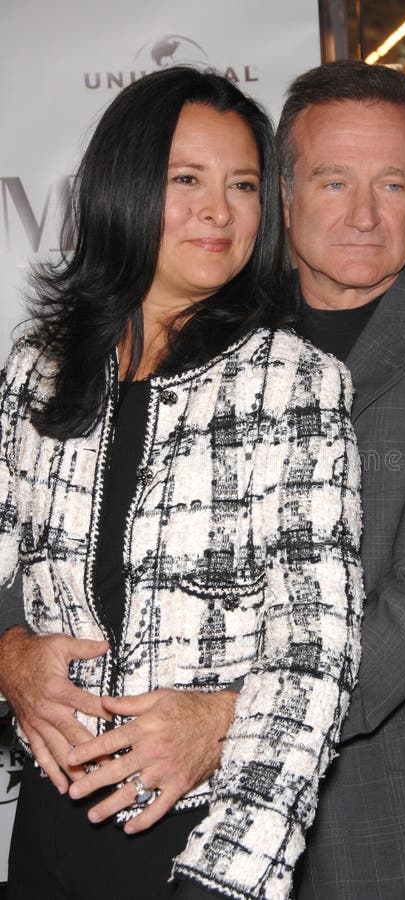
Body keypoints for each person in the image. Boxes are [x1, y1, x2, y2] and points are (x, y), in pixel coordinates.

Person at [0, 59, 405, 899]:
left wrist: (227, 716)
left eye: (395, 184)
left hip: (404, 821)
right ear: (288, 193)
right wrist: (12, 648)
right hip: (131, 807)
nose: (367, 216)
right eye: (335, 181)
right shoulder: (198, 316)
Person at [0, 65, 364, 900]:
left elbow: (316, 654)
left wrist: (228, 875)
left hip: (203, 835)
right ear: (124, 188)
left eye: (242, 185)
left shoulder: (296, 385)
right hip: (50, 832)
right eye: (186, 179)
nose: (220, 210)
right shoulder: (41, 369)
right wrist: (7, 651)